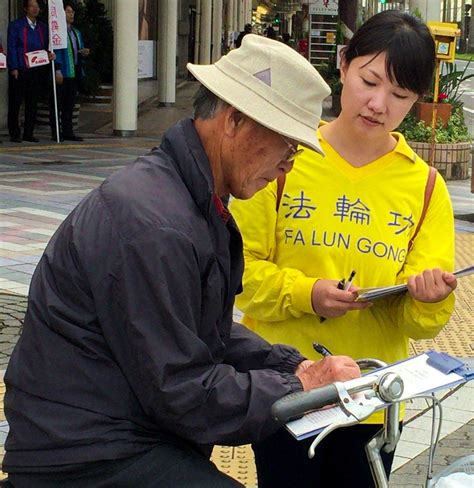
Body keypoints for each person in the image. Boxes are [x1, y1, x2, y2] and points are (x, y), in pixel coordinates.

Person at [3, 34, 361, 487]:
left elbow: (198, 327)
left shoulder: (186, 196)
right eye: (287, 146)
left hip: (115, 431)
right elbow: (181, 388)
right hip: (83, 453)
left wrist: (288, 366)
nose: (287, 166)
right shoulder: (157, 223)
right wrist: (299, 388)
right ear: (234, 122)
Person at [230, 11, 457, 488]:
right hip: (287, 388)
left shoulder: (425, 188)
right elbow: (239, 273)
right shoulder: (287, 154)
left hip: (372, 401)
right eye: (369, 81)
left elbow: (420, 320)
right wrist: (306, 292)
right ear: (343, 64)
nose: (378, 104)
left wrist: (430, 299)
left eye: (399, 95)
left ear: (416, 100)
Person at [7, 0, 54, 143]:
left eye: (37, 6)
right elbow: (12, 47)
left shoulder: (43, 28)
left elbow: (46, 46)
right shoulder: (16, 26)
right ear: (25, 9)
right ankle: (15, 132)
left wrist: (49, 55)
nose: (35, 9)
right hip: (21, 69)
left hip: (36, 70)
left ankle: (29, 132)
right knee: (16, 102)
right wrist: (14, 67)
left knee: (32, 102)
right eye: (32, 6)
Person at [51, 1, 90, 142]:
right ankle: (56, 131)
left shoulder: (76, 32)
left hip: (74, 72)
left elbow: (78, 49)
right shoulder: (56, 33)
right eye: (68, 11)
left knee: (69, 104)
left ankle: (68, 131)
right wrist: (57, 69)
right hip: (62, 73)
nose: (71, 14)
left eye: (72, 12)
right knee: (58, 104)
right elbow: (55, 52)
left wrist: (83, 52)